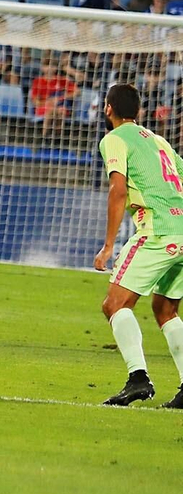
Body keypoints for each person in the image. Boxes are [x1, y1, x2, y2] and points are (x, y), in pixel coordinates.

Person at [93, 82, 183, 409]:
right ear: (140, 111)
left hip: (158, 231)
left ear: (108, 109)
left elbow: (118, 190)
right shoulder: (159, 141)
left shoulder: (114, 138)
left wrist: (108, 246)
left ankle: (138, 379)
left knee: (115, 304)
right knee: (165, 309)